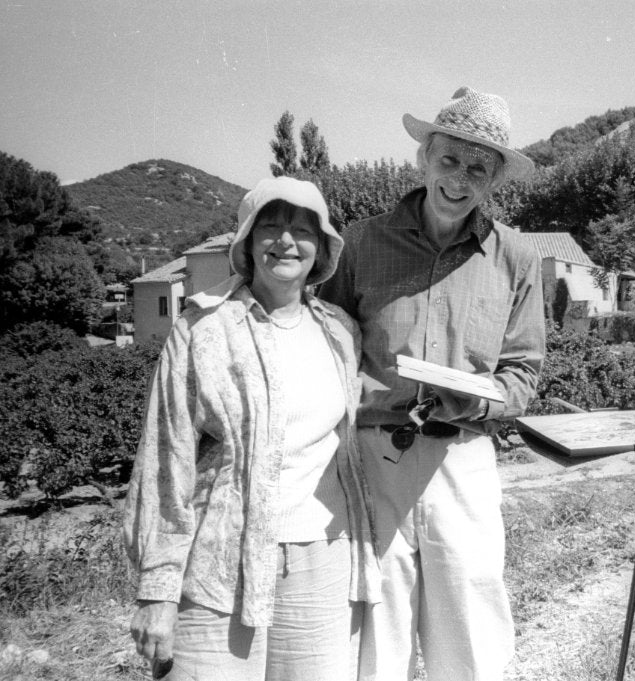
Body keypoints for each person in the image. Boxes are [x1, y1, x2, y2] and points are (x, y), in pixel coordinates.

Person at [318, 86, 545, 681]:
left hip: (464, 456)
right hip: (375, 458)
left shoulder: (516, 257)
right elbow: (326, 348)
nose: (460, 178)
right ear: (423, 159)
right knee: (375, 622)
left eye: (478, 167)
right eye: (449, 159)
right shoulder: (361, 242)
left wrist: (482, 396)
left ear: (494, 179)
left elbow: (523, 371)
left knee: (470, 621)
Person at [123, 176, 380, 681]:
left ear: (323, 247)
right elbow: (164, 458)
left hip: (322, 561)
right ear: (247, 241)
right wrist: (157, 589)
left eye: (304, 229)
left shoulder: (341, 332)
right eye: (271, 226)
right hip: (219, 565)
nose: (286, 241)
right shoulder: (203, 330)